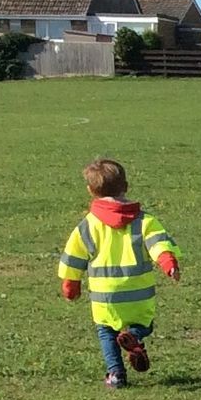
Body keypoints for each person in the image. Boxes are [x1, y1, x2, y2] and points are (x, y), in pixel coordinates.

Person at [58, 158, 182, 388]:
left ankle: (116, 374)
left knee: (106, 332)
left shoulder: (88, 225)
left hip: (104, 296)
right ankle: (135, 336)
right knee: (145, 324)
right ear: (126, 186)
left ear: (90, 191)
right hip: (138, 294)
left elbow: (74, 254)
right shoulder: (145, 222)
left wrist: (71, 282)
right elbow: (158, 244)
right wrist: (168, 262)